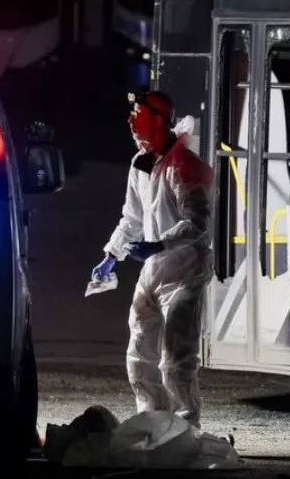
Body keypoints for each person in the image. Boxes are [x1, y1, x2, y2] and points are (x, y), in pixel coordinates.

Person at [90, 91, 214, 429]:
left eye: (138, 112)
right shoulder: (141, 164)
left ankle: (186, 429)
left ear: (158, 120)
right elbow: (131, 218)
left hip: (185, 273)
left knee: (176, 362)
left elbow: (198, 224)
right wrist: (110, 256)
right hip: (155, 272)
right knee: (140, 358)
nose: (130, 119)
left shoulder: (183, 166)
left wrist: (158, 244)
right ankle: (153, 424)